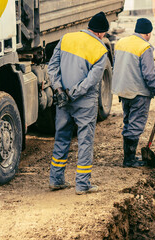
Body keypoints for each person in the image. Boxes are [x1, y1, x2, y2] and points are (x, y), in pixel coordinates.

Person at [47, 12, 109, 194]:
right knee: (85, 141)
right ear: (100, 33)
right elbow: (92, 80)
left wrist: (60, 90)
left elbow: (52, 67)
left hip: (63, 99)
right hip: (84, 101)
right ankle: (82, 185)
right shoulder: (100, 49)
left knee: (61, 138)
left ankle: (56, 180)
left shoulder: (66, 38)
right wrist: (73, 93)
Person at [112, 18, 155, 168]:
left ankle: (128, 156)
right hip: (138, 92)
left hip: (123, 91)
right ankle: (129, 160)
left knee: (128, 121)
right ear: (148, 33)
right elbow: (149, 76)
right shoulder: (145, 47)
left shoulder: (121, 42)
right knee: (135, 124)